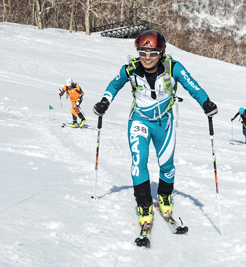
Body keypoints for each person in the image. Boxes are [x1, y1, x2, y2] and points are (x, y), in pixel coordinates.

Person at [92, 29, 217, 240]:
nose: (147, 58)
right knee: (138, 161)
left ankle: (164, 196)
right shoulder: (130, 70)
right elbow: (114, 85)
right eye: (142, 52)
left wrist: (206, 102)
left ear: (162, 52)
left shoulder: (173, 68)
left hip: (164, 122)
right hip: (139, 120)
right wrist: (105, 101)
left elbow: (193, 86)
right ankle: (144, 205)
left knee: (166, 164)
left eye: (152, 53)